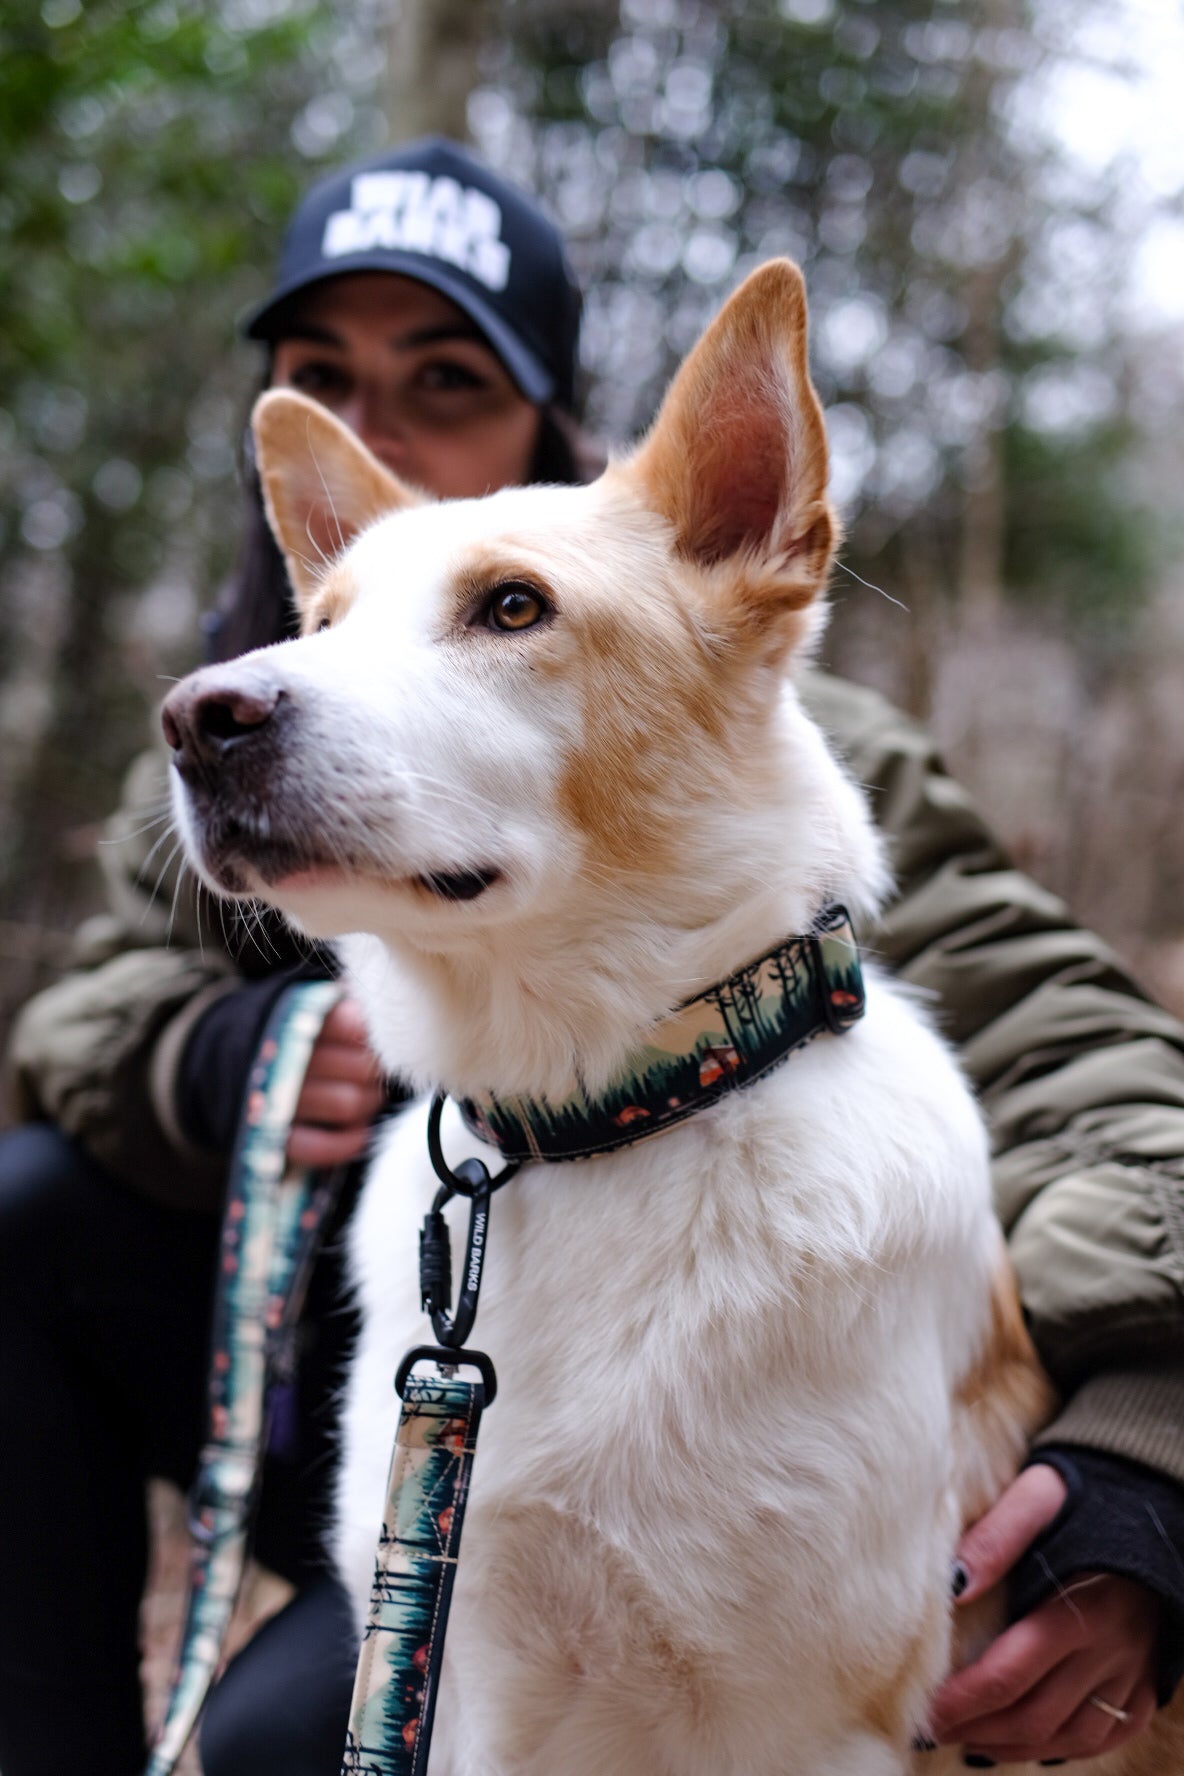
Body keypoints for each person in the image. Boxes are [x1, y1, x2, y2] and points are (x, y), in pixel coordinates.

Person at [2, 136, 1183, 1775]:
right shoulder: (246, 725)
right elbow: (85, 1012)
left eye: (447, 371)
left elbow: (1102, 1064)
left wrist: (1153, 1437)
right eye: (323, 377)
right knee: (27, 1210)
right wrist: (215, 1061)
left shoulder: (746, 686)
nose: (383, 423)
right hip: (412, 1299)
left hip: (743, 1341)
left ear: (556, 415)